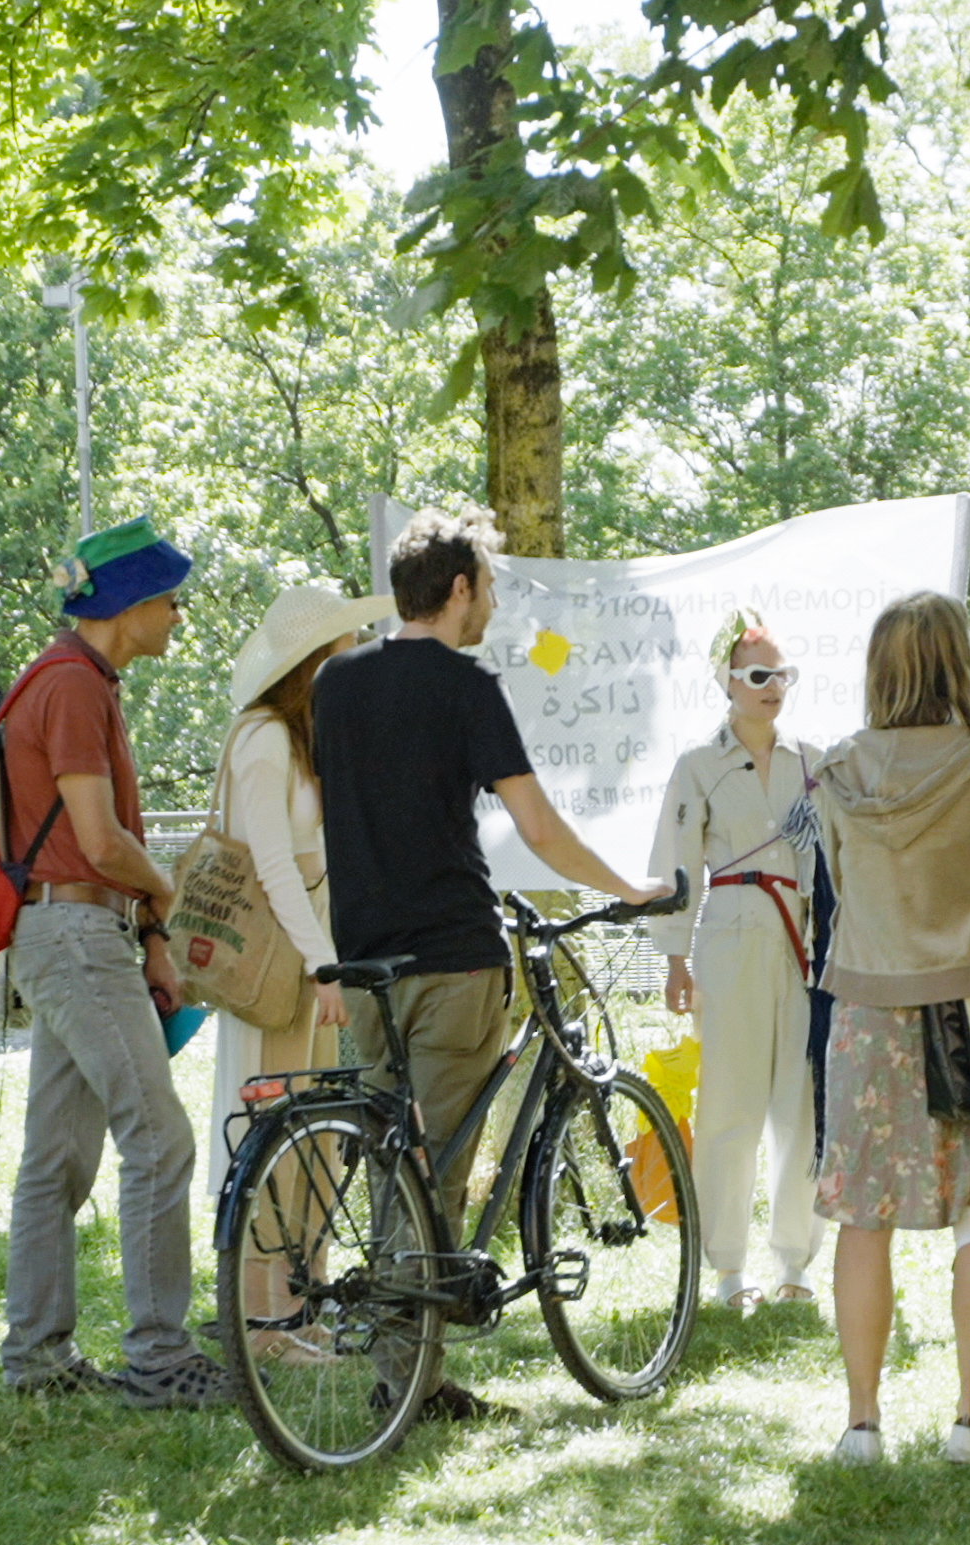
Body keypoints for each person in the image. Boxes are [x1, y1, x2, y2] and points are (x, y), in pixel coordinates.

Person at [313, 507, 671, 1421]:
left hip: (365, 961)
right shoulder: (467, 688)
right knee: (433, 1168)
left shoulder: (336, 684)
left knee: (393, 1155)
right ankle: (410, 1385)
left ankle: (402, 1365)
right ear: (459, 587)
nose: (496, 603)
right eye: (491, 585)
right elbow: (540, 827)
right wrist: (627, 883)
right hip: (452, 956)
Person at [812, 591, 970, 1466]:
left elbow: (837, 881)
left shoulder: (838, 771)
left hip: (869, 1011)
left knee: (862, 1215)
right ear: (959, 663)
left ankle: (862, 1423)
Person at [0, 516, 238, 1407]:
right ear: (130, 603)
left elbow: (94, 844)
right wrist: (167, 894)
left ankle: (38, 1358)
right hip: (72, 935)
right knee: (160, 1137)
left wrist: (148, 937)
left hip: (75, 932)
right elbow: (99, 842)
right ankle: (161, 1356)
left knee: (57, 1158)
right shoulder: (72, 687)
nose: (179, 614)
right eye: (170, 598)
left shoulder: (77, 680)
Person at [203, 583, 395, 1363]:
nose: (353, 656)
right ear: (312, 660)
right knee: (270, 1129)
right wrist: (323, 964)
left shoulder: (301, 738)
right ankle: (262, 1323)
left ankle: (299, 1307)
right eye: (341, 647)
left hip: (313, 952)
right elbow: (274, 866)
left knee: (311, 1135)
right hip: (278, 961)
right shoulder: (262, 740)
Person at [647, 609, 827, 1312]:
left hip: (804, 946)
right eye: (759, 674)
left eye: (783, 673)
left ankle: (797, 1260)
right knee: (727, 1103)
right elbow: (676, 863)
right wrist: (673, 955)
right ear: (727, 681)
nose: (773, 686)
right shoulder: (697, 765)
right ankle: (726, 1265)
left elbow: (834, 859)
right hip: (728, 936)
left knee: (802, 1104)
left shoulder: (814, 761)